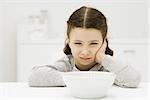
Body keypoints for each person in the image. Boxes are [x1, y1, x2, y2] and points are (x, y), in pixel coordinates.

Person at [28, 6, 141, 87]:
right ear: (69, 42)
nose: (85, 52)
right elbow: (34, 77)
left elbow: (134, 79)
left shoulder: (107, 67)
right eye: (78, 43)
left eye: (93, 44)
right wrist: (76, 79)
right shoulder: (67, 64)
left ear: (103, 42)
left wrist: (102, 58)